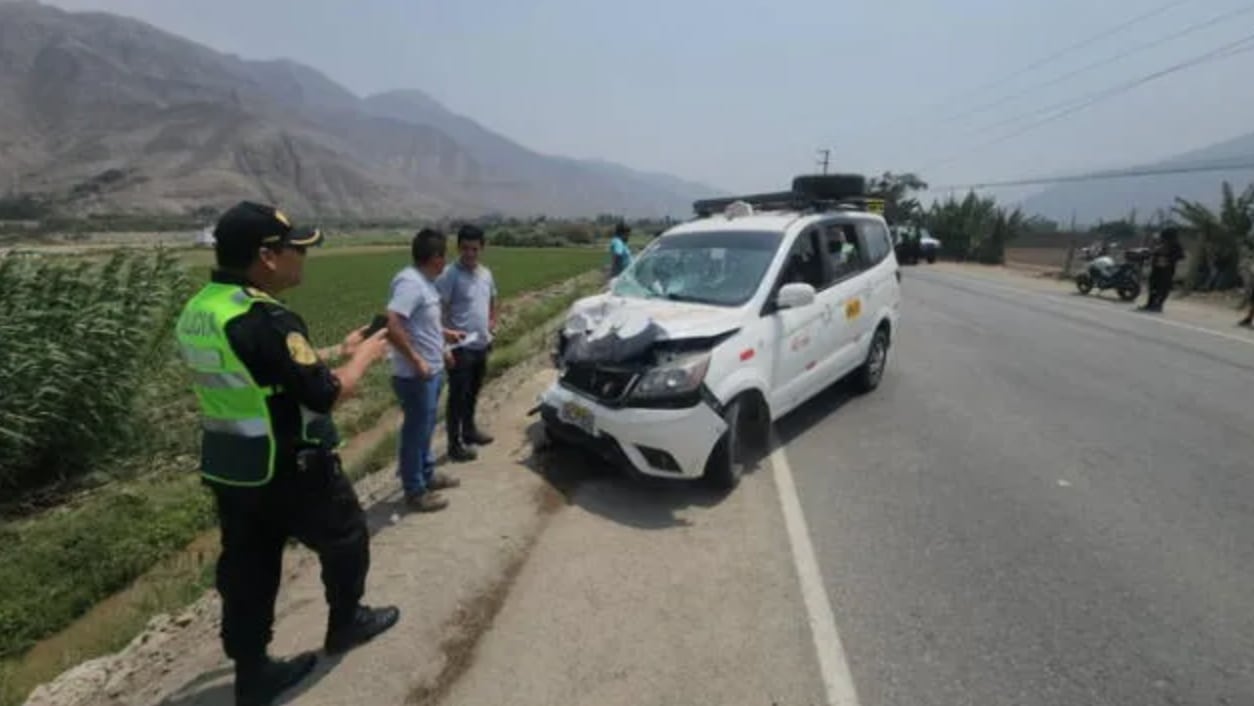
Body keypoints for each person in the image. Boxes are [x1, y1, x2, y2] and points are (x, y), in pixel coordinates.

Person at [174, 201, 400, 706]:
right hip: (291, 465)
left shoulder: (203, 309)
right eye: (296, 248)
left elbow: (263, 372)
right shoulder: (269, 317)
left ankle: (252, 672)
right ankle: (347, 621)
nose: (303, 257)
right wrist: (364, 357)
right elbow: (323, 395)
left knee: (248, 568)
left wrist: (332, 353)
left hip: (234, 466)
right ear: (267, 257)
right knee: (346, 537)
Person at [386, 228, 465, 512]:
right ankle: (415, 490)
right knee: (415, 432)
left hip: (431, 371)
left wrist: (445, 341)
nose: (446, 262)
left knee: (426, 427)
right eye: (444, 256)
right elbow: (392, 323)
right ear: (435, 258)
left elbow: (423, 325)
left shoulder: (426, 283)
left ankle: (427, 474)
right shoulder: (409, 283)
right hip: (415, 376)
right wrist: (417, 360)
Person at [436, 224, 498, 462]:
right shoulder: (450, 275)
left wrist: (492, 321)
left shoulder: (486, 274)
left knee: (473, 392)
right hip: (459, 347)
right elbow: (439, 309)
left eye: (474, 249)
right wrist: (444, 344)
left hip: (481, 344)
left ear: (482, 248)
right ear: (458, 248)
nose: (470, 254)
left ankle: (469, 431)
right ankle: (454, 445)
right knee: (457, 398)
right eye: (465, 248)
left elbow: (492, 299)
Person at [1140, 227, 1185, 312]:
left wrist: (1169, 259)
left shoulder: (1175, 245)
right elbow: (1153, 252)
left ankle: (1158, 305)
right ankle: (1150, 304)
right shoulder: (1160, 243)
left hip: (1167, 269)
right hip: (1156, 268)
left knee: (1163, 288)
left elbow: (1181, 256)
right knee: (1153, 286)